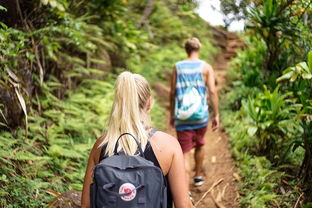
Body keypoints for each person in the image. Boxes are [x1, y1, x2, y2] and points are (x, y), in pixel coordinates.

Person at [81, 71, 193, 208]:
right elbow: (183, 205)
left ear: (118, 103)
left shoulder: (101, 145)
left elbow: (86, 205)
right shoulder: (168, 145)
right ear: (149, 103)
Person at [169, 37, 219, 187]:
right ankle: (197, 176)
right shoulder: (206, 67)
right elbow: (212, 91)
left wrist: (172, 114)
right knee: (200, 145)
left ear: (186, 49)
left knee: (184, 151)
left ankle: (184, 187)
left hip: (182, 117)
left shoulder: (177, 67)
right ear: (199, 49)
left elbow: (172, 93)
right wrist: (216, 114)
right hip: (201, 116)